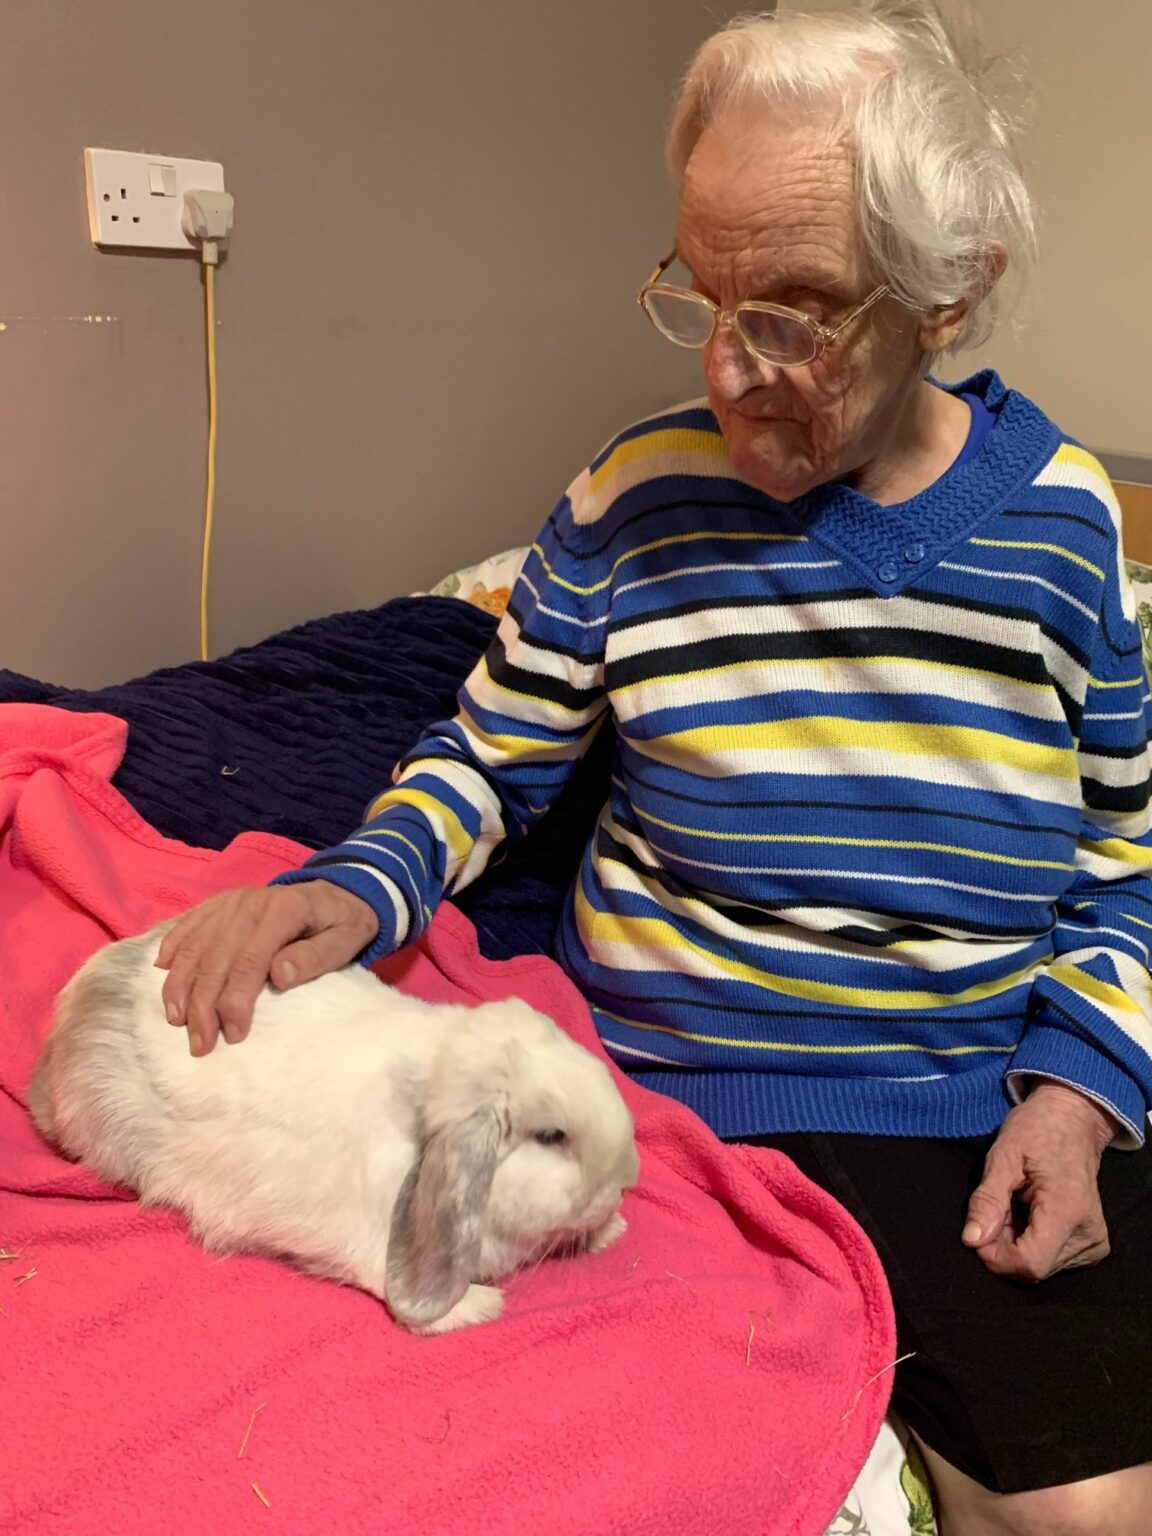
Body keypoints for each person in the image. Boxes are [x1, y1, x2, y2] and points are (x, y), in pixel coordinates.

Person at [156, 4, 1152, 1531]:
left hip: (951, 1105)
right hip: (647, 1101)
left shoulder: (1066, 528)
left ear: (949, 294)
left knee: (1086, 1516)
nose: (732, 369)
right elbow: (491, 758)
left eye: (796, 314)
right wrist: (357, 886)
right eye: (702, 291)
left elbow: (1125, 867)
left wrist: (1077, 1097)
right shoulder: (629, 497)